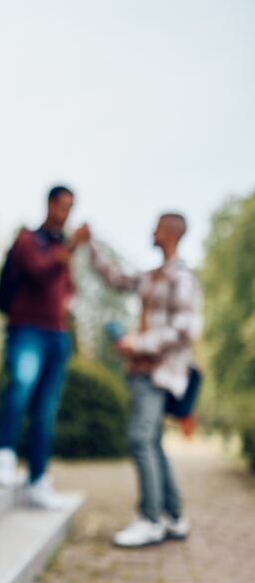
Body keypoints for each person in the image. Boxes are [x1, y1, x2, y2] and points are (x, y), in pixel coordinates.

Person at [79, 214, 202, 548]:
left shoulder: (183, 279)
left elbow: (186, 330)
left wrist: (138, 343)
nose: (151, 230)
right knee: (153, 443)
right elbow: (115, 279)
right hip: (141, 370)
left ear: (171, 233)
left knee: (139, 439)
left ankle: (150, 519)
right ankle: (173, 517)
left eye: (158, 226)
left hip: (158, 372)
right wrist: (91, 246)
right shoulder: (151, 277)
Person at [0, 185, 84, 508]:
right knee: (21, 386)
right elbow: (39, 272)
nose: (65, 213)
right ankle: (3, 455)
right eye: (61, 206)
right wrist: (68, 254)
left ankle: (38, 478)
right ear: (49, 205)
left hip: (57, 335)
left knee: (47, 409)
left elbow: (67, 287)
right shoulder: (28, 240)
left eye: (71, 207)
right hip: (27, 331)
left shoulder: (63, 250)